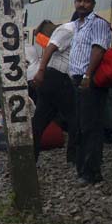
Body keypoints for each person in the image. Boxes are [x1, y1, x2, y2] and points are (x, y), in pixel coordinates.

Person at [68, 0, 112, 185]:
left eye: (86, 1)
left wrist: (88, 75)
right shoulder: (77, 25)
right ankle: (82, 169)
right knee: (80, 125)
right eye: (79, 0)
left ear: (93, 4)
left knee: (90, 127)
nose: (82, 4)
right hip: (78, 79)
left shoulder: (98, 24)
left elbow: (98, 49)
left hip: (90, 81)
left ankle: (92, 172)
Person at [32, 15, 77, 165]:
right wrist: (41, 71)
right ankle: (74, 159)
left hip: (52, 78)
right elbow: (50, 49)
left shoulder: (69, 30)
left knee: (39, 121)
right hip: (58, 78)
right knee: (75, 119)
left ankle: (30, 158)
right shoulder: (69, 30)